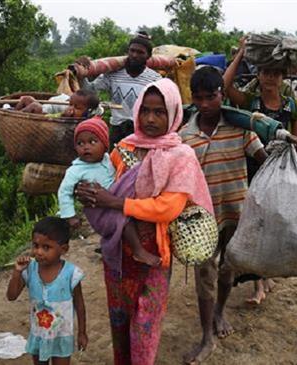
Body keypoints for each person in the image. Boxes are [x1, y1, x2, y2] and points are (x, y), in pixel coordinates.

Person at [75, 78, 214, 365]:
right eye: (145, 111)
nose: (150, 118)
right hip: (118, 250)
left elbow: (167, 208)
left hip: (154, 254)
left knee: (146, 324)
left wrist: (115, 202)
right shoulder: (124, 147)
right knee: (119, 318)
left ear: (174, 113)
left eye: (160, 112)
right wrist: (84, 190)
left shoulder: (181, 156)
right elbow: (102, 183)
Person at [179, 67, 268, 364]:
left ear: (221, 94)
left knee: (228, 268)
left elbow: (263, 161)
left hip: (236, 212)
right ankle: (207, 336)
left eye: (212, 97)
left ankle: (219, 311)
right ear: (192, 98)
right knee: (204, 271)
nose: (205, 104)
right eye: (200, 98)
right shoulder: (184, 137)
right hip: (201, 219)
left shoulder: (240, 127)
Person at [224, 38, 297, 305]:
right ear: (258, 74)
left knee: (274, 223)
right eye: (265, 72)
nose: (270, 77)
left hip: (279, 173)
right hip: (252, 168)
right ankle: (258, 285)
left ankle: (266, 274)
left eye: (275, 73)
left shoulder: (292, 106)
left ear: (283, 77)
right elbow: (224, 86)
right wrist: (240, 55)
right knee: (256, 223)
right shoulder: (250, 102)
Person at [58, 117, 161, 267]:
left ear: (105, 144)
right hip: (98, 209)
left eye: (92, 142)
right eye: (80, 143)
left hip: (111, 201)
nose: (86, 147)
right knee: (123, 220)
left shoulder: (108, 158)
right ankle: (138, 250)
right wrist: (70, 215)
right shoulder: (75, 171)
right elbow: (64, 192)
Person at [6, 217, 87, 365]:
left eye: (46, 247)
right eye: (35, 245)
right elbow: (11, 296)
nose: (38, 252)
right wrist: (17, 272)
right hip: (39, 335)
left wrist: (82, 332)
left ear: (63, 249)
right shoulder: (30, 269)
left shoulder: (71, 274)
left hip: (62, 336)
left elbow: (80, 306)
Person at [77, 31, 162, 147]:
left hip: (142, 132)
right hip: (117, 131)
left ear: (148, 56)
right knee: (116, 163)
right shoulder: (113, 74)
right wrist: (82, 76)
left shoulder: (155, 79)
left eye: (140, 52)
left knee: (138, 164)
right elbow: (90, 91)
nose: (135, 55)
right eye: (132, 51)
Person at [14, 90, 102, 118]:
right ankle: (14, 113)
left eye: (76, 107)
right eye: (70, 104)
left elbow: (99, 109)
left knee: (33, 105)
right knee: (27, 99)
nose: (71, 108)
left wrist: (63, 116)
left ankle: (16, 114)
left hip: (48, 114)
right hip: (49, 105)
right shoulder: (66, 108)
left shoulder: (89, 115)